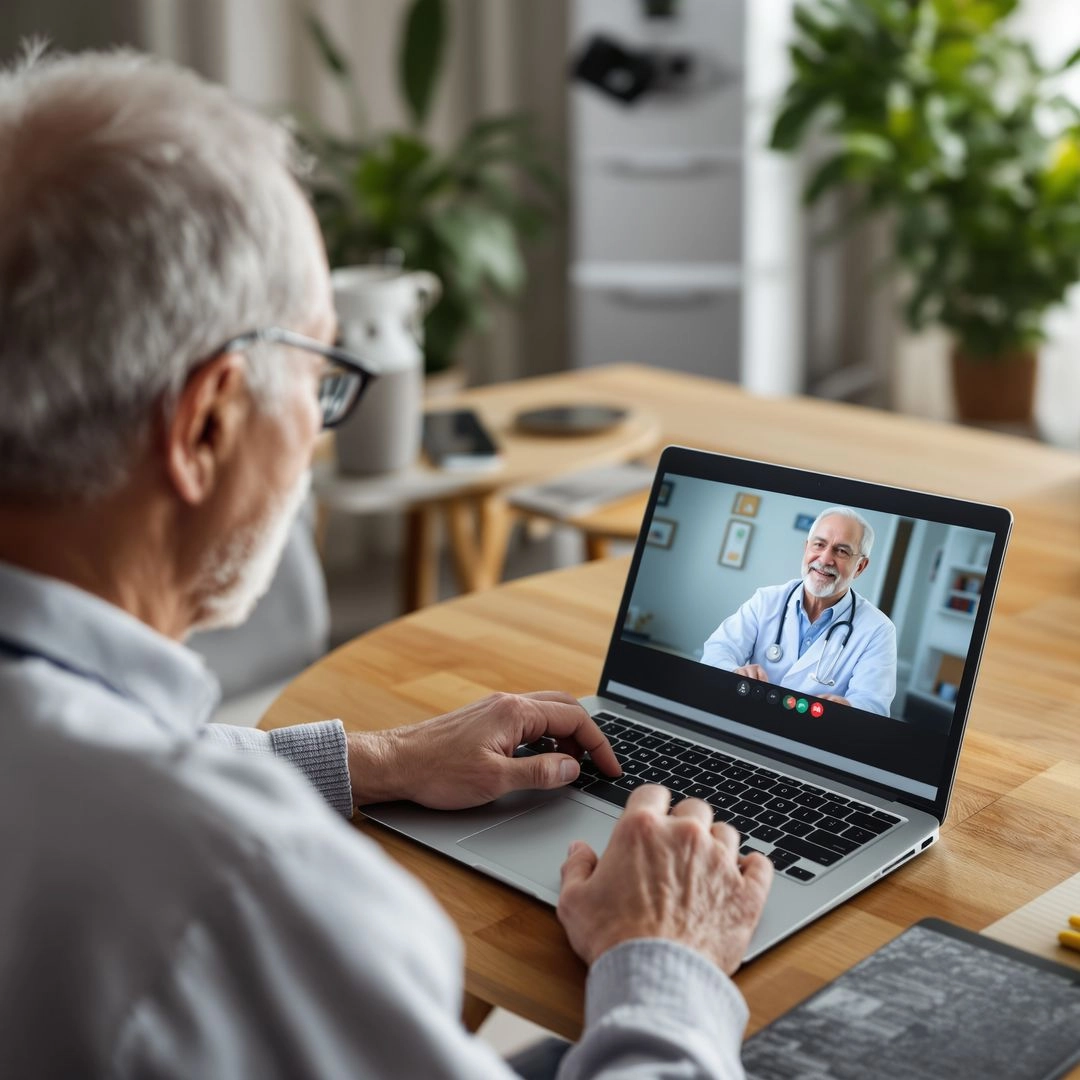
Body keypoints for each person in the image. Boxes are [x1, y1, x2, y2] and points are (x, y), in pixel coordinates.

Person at [0, 47, 773, 1077]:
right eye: (320, 381)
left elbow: (84, 755)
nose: (320, 438)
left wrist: (378, 762)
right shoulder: (242, 892)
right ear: (208, 426)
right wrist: (665, 960)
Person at [702, 508, 897, 716]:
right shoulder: (767, 600)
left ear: (860, 567)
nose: (825, 559)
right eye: (819, 544)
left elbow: (873, 705)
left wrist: (847, 709)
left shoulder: (878, 630)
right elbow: (718, 650)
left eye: (841, 551)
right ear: (806, 548)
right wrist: (735, 672)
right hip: (746, 718)